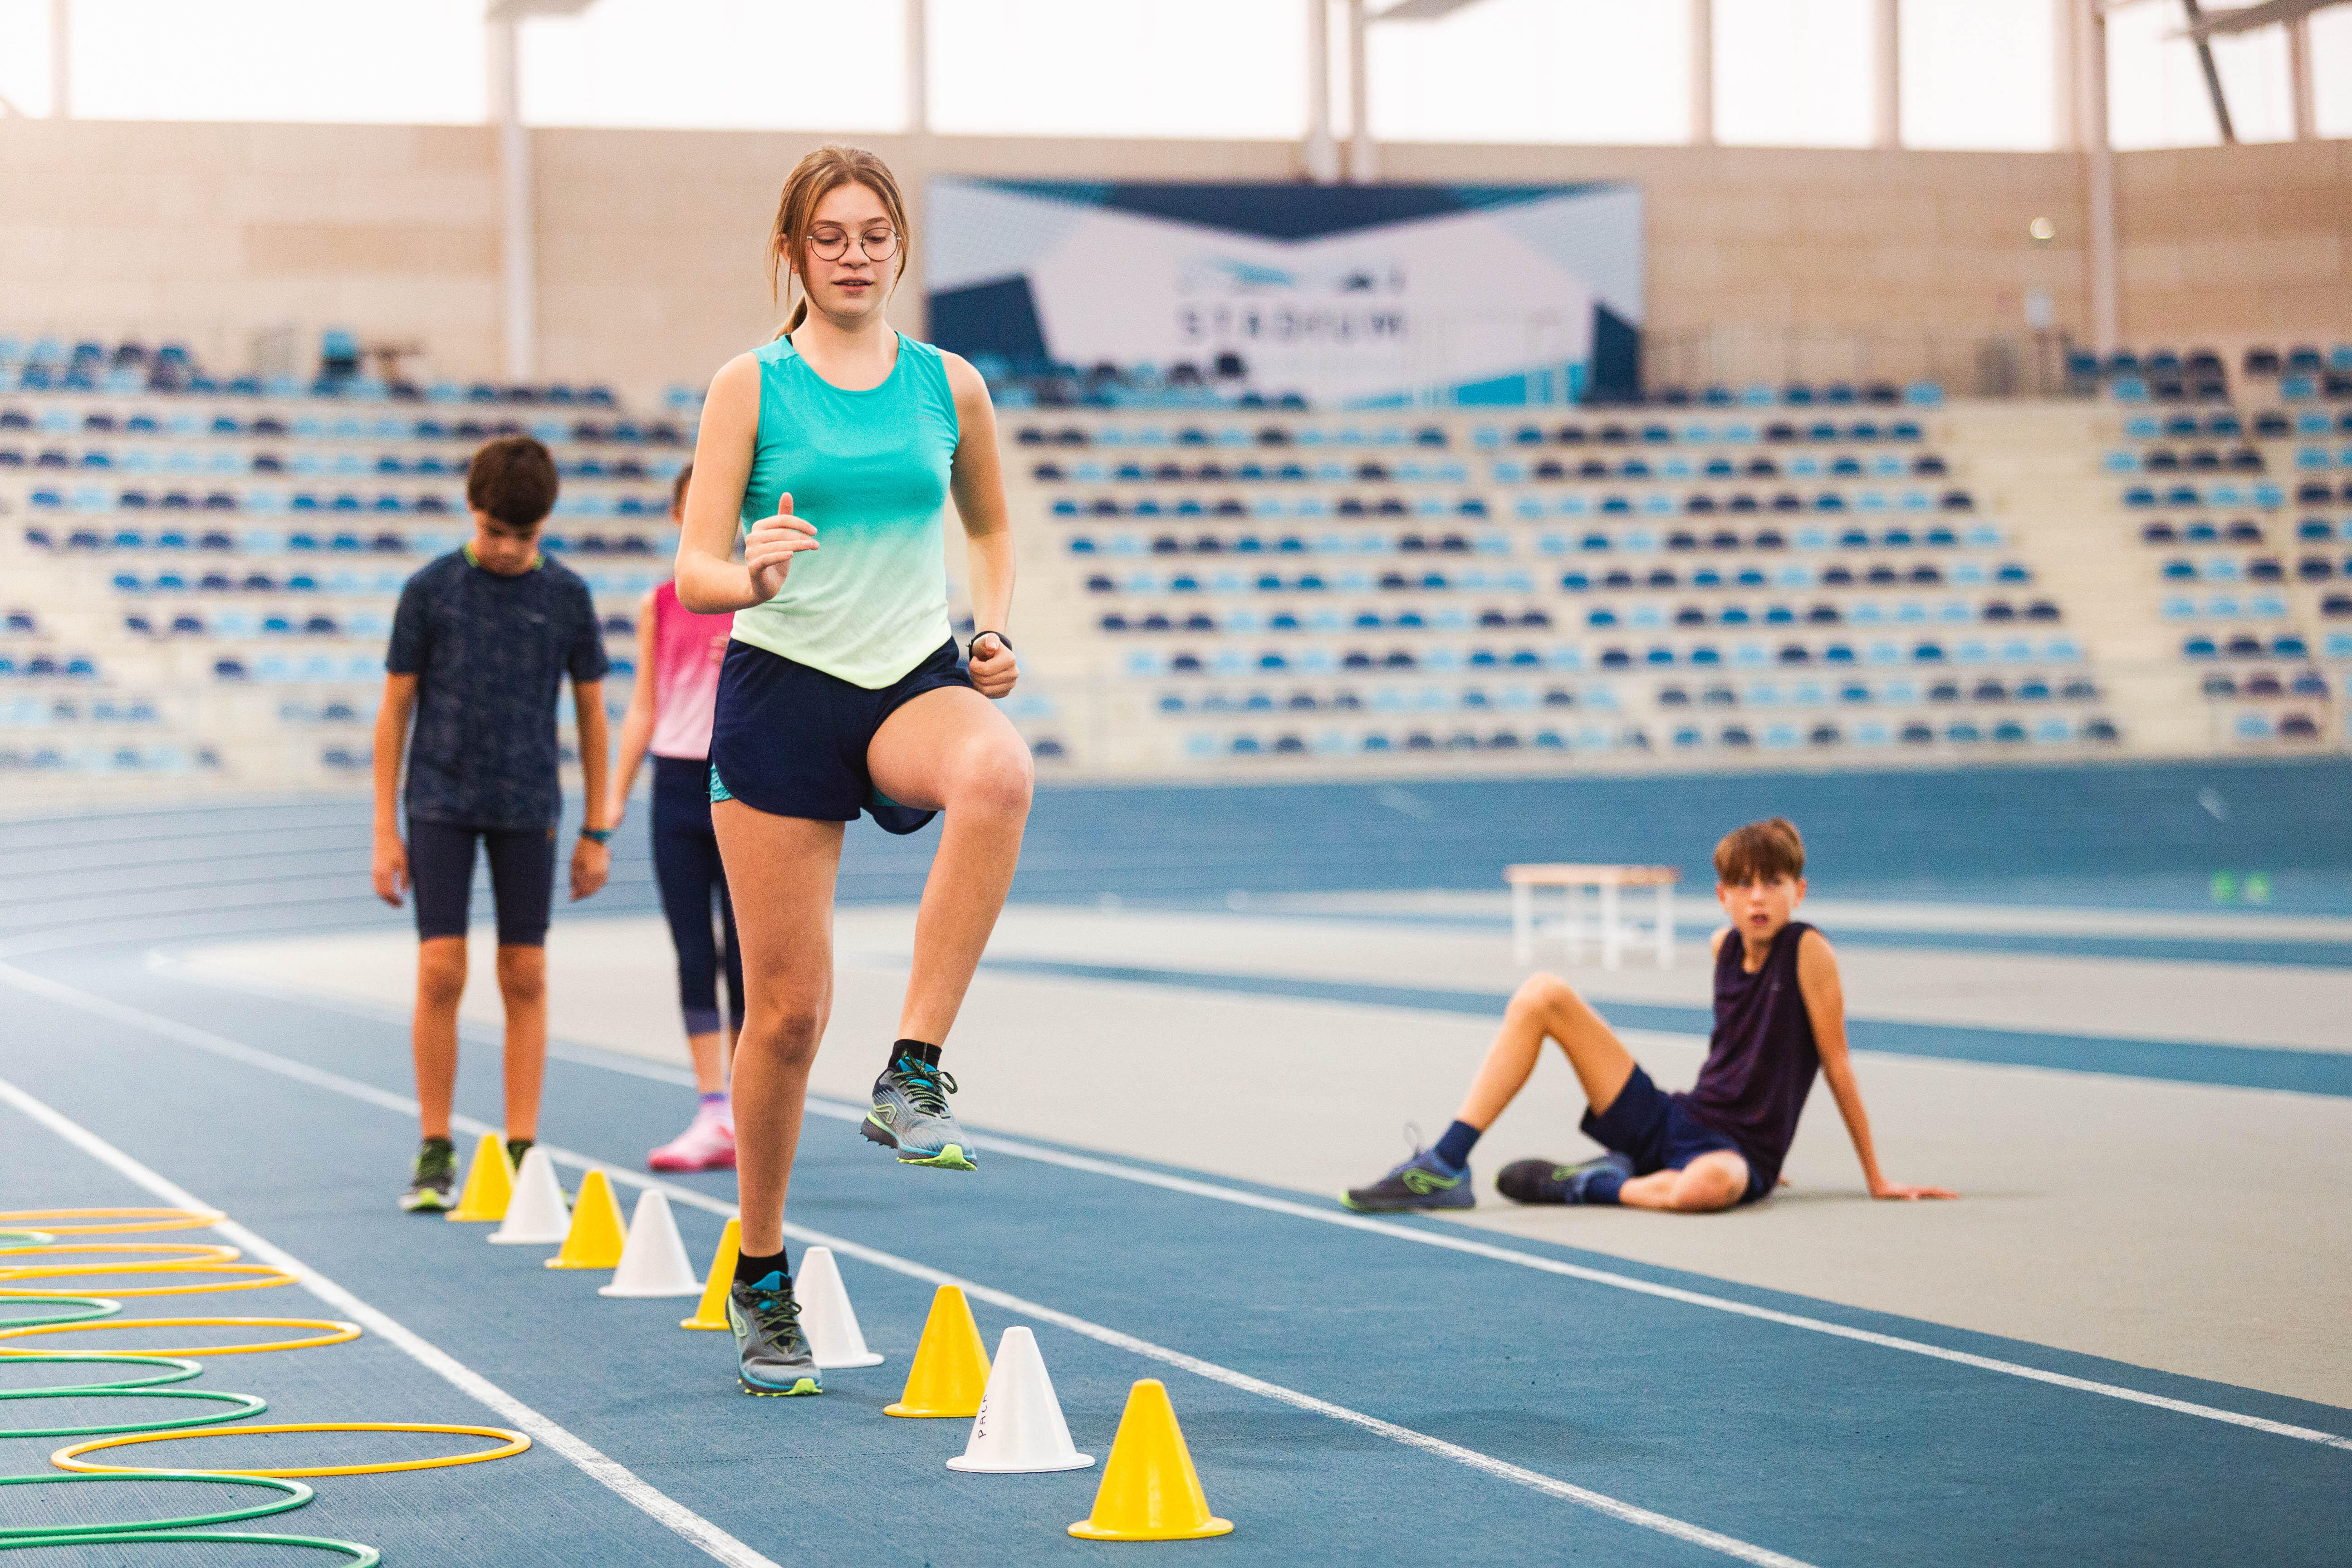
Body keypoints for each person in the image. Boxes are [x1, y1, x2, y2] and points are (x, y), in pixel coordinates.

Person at [673, 146, 1031, 1396]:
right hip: (781, 696)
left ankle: (915, 1069)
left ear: (899, 248)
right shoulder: (750, 386)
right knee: (785, 1016)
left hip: (906, 678)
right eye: (829, 236)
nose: (854, 253)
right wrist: (752, 571)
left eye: (874, 233)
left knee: (1000, 776)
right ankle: (760, 1271)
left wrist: (989, 627)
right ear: (794, 253)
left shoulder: (949, 386)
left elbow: (987, 524)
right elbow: (695, 570)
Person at [1343, 818, 1955, 1215]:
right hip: (1678, 1118)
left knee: (1704, 1190)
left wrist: (1876, 1177)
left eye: (1774, 882)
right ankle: (1445, 1164)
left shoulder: (1810, 951)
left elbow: (1835, 1063)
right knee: (1542, 993)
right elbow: (1737, 1057)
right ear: (1722, 898)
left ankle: (1584, 1183)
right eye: (1743, 886)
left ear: (1801, 891)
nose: (1759, 897)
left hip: (1737, 1153)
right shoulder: (1724, 947)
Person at [371, 434, 614, 1212]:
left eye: (525, 537)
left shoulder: (567, 597)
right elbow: (394, 711)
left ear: (545, 525)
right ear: (471, 512)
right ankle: (436, 1147)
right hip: (439, 802)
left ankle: (519, 1153)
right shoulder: (430, 591)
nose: (508, 549)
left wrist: (597, 829)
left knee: (526, 974)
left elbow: (593, 717)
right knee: (441, 971)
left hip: (527, 806)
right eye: (494, 533)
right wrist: (385, 829)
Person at [606, 462, 744, 1171]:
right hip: (676, 786)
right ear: (674, 518)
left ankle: (752, 1109)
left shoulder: (762, 598)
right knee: (695, 952)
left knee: (749, 959)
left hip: (747, 785)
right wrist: (611, 802)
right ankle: (712, 1108)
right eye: (693, 510)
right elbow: (642, 708)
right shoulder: (659, 604)